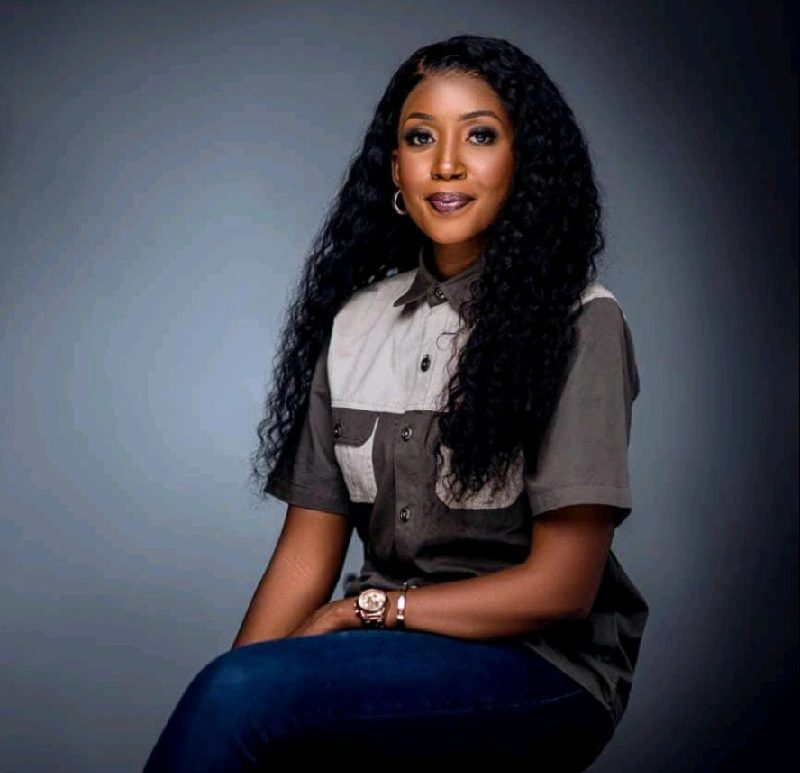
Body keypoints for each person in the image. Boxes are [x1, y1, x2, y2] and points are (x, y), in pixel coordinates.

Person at [142, 34, 648, 770]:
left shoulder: (580, 320)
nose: (447, 164)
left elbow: (563, 587)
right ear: (394, 169)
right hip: (381, 653)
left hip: (541, 665)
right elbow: (304, 556)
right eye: (420, 138)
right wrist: (236, 683)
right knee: (238, 695)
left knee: (247, 699)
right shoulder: (355, 324)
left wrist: (368, 610)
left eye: (480, 135)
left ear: (524, 161)